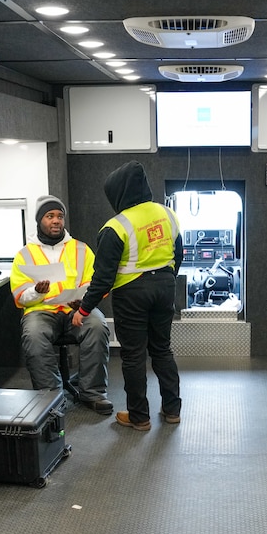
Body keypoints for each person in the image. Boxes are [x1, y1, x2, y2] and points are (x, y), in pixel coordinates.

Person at [72, 160, 183, 431]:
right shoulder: (167, 213)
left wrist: (83, 310)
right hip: (165, 287)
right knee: (162, 349)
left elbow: (103, 278)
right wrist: (165, 279)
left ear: (118, 193)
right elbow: (179, 254)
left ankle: (139, 417)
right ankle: (172, 410)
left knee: (133, 356)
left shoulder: (115, 226)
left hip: (131, 294)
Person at [10, 195, 112, 414]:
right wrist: (36, 292)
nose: (56, 221)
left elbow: (94, 283)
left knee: (97, 325)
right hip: (41, 311)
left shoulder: (81, 250)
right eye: (49, 216)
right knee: (33, 335)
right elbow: (19, 295)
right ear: (40, 221)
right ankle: (50, 397)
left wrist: (84, 302)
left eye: (59, 216)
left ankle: (92, 393)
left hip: (75, 310)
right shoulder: (24, 255)